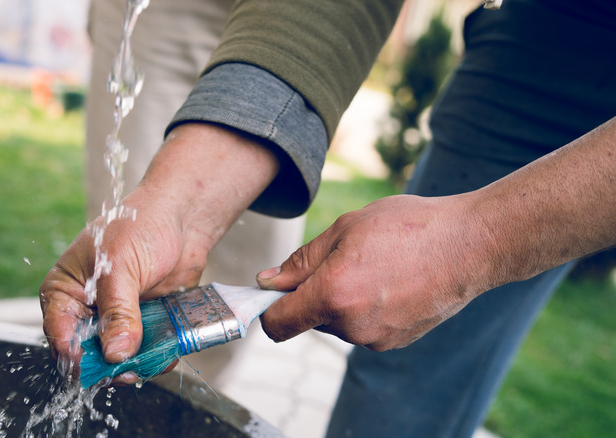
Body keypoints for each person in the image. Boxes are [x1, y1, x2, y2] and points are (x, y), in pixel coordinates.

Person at [40, 0, 616, 436]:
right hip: (548, 29)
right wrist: (177, 207)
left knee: (429, 319)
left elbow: (468, 244)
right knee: (401, 378)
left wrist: (475, 241)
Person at [84, 0, 306, 386]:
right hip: (166, 12)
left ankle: (182, 406)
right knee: (133, 260)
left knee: (262, 257)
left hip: (303, 16)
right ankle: (114, 402)